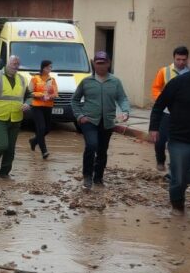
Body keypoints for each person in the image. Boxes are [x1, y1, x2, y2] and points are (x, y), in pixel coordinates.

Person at [71, 52, 130, 189]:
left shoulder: (115, 82)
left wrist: (125, 111)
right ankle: (87, 176)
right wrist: (80, 116)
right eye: (98, 63)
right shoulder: (86, 82)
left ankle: (98, 178)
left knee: (102, 150)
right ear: (94, 64)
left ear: (108, 63)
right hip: (89, 120)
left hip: (108, 121)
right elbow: (74, 100)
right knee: (91, 145)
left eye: (104, 63)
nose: (101, 66)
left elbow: (122, 98)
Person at [150, 69, 190, 216]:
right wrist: (154, 128)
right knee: (179, 178)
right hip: (180, 138)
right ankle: (177, 206)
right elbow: (158, 106)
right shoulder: (178, 83)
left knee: (186, 174)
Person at [150, 46, 189, 172]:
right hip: (166, 112)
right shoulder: (164, 71)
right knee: (160, 140)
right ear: (174, 58)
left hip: (182, 114)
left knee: (177, 142)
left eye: (184, 59)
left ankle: (176, 167)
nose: (181, 62)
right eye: (178, 59)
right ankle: (160, 160)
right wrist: (162, 101)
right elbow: (156, 88)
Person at [27, 60, 58, 159]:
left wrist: (51, 96)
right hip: (37, 106)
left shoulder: (52, 79)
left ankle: (34, 141)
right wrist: (40, 95)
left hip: (48, 106)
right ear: (43, 68)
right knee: (41, 128)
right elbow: (30, 92)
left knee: (47, 129)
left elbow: (56, 93)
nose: (50, 69)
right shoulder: (35, 78)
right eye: (49, 67)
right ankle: (44, 151)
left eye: (51, 67)